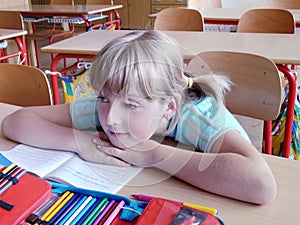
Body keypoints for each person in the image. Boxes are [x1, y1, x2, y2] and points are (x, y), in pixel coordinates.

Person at [1, 30, 277, 205]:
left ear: (169, 107)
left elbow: (261, 185)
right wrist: (80, 142)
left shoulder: (200, 115)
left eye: (131, 105)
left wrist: (153, 155)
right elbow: (15, 122)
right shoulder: (109, 102)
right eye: (104, 99)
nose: (110, 118)